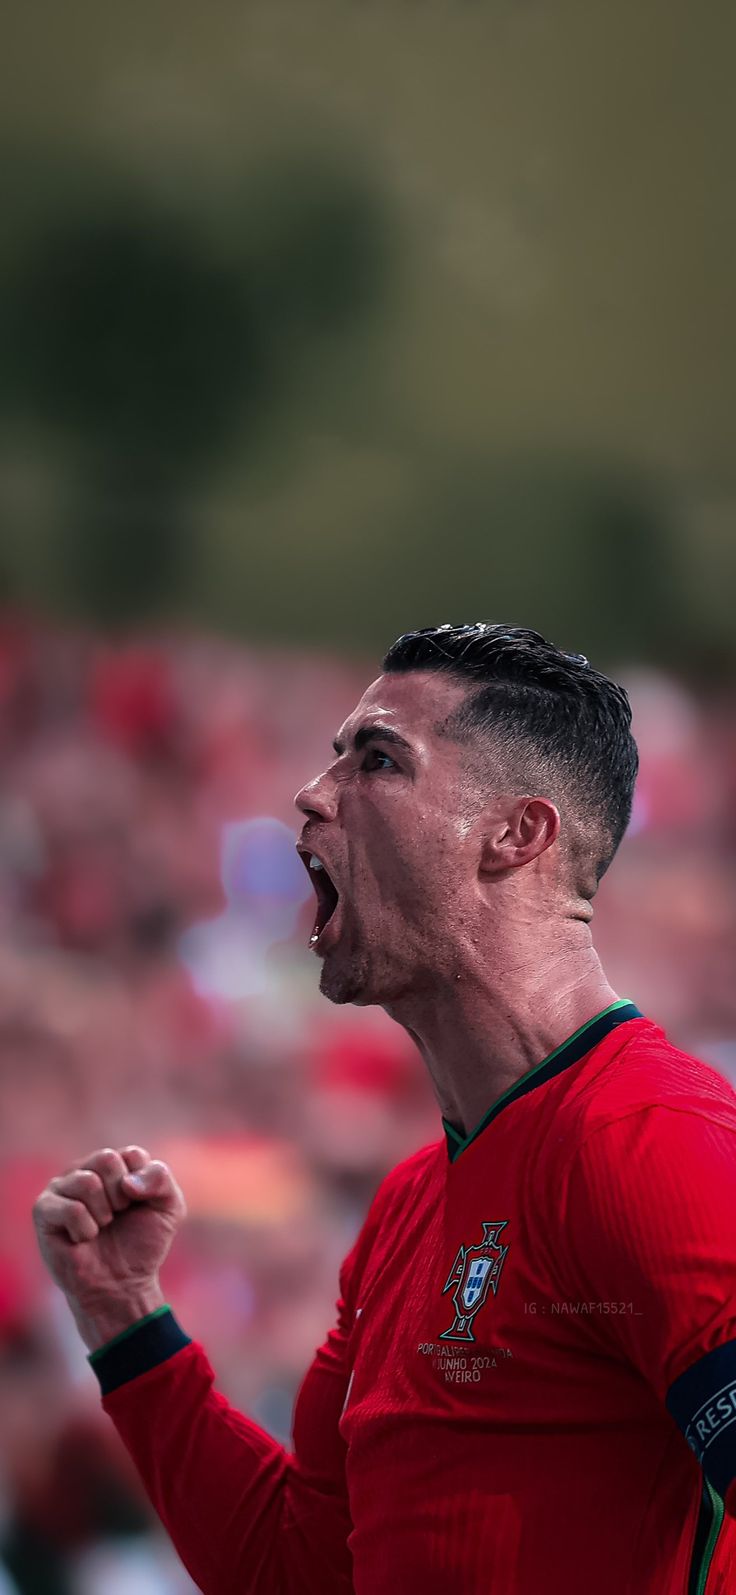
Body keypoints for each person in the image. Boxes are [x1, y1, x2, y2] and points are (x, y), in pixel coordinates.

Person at [33, 624, 736, 1594]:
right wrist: (125, 1319)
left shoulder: (652, 1142)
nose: (313, 794)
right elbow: (300, 1568)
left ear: (516, 833)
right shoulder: (408, 1203)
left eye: (376, 759)